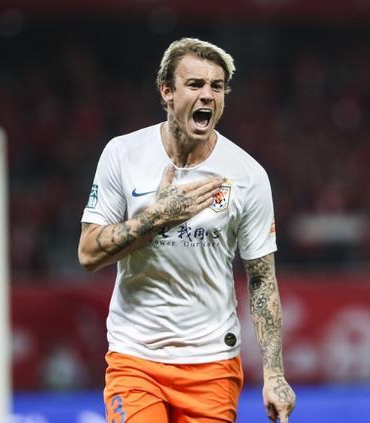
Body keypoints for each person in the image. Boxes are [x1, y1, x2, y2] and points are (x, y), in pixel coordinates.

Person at [77, 38, 296, 423]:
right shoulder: (123, 154)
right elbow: (88, 253)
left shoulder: (248, 175)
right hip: (135, 357)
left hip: (212, 363)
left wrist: (275, 375)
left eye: (217, 86)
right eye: (195, 84)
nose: (207, 95)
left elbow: (262, 279)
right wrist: (157, 217)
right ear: (166, 91)